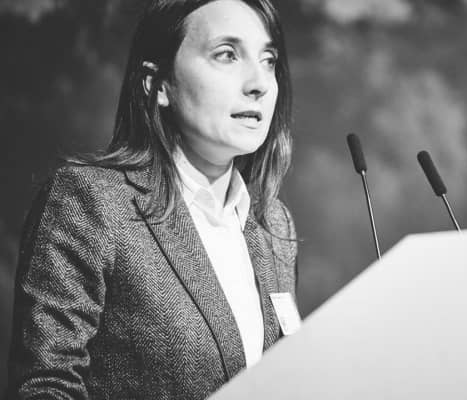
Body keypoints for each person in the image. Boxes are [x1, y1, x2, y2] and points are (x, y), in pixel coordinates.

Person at [5, 0, 297, 398]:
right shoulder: (92, 201)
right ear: (157, 84)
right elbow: (46, 386)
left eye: (268, 60)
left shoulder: (275, 224)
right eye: (227, 55)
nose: (259, 83)